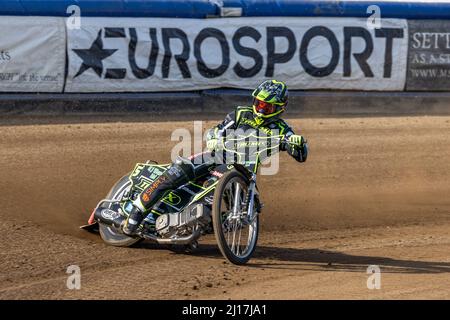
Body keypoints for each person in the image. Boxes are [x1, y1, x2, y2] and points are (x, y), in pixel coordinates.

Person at [122, 79, 308, 236]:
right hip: (215, 156)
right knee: (178, 169)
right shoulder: (241, 114)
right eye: (259, 103)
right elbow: (218, 129)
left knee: (243, 215)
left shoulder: (283, 130)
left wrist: (297, 143)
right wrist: (213, 137)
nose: (261, 108)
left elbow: (300, 154)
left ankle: (192, 227)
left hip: (242, 171)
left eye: (267, 106)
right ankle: (137, 212)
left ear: (280, 108)